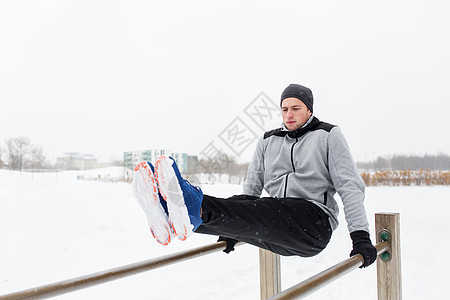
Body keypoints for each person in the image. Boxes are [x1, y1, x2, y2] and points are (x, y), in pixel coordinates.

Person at [132, 84, 377, 268]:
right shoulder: (268, 140)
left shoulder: (328, 135)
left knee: (265, 209)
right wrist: (233, 228)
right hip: (276, 228)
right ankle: (172, 214)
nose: (288, 114)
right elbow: (251, 189)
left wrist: (360, 236)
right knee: (245, 204)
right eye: (284, 109)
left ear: (309, 109)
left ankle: (193, 202)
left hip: (312, 223)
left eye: (295, 108)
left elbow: (349, 187)